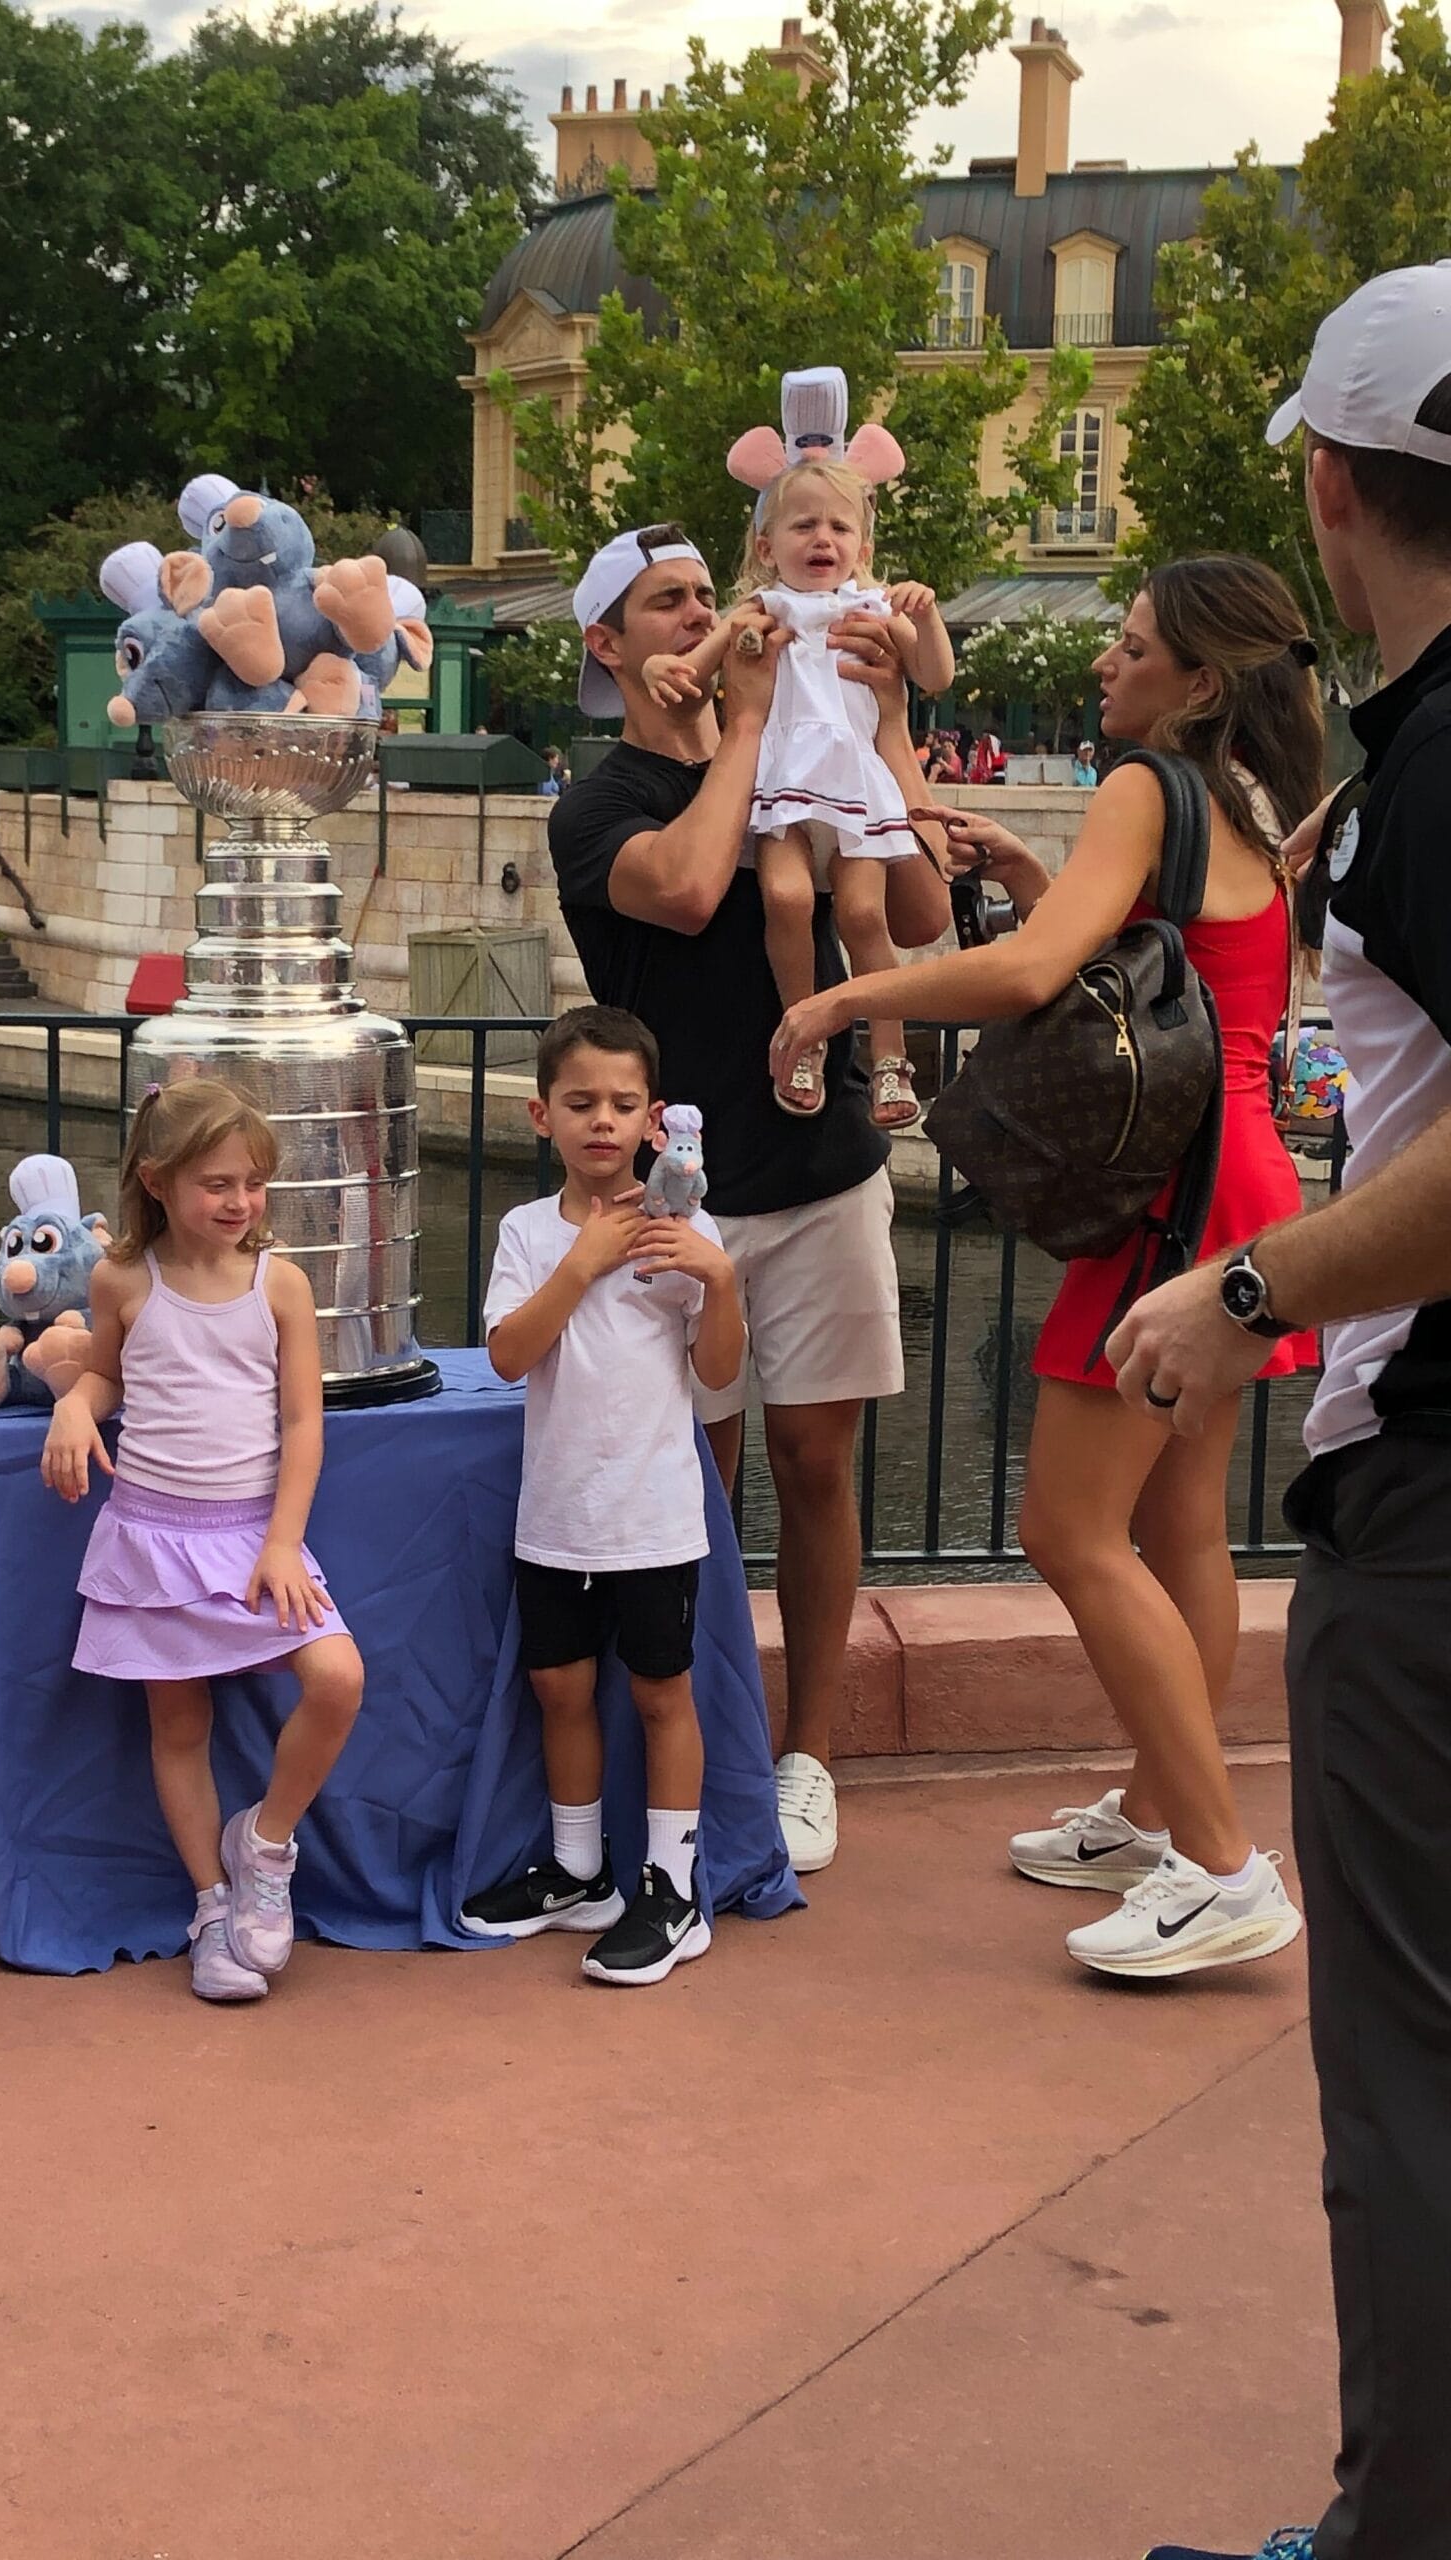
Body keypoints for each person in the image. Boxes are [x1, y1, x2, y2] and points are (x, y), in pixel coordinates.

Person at [1107, 266, 1451, 2560]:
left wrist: (1243, 1290)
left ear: (1329, 485)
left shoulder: (1435, 767)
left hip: (1433, 1502)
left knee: (1408, 2071)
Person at [774, 554, 1324, 1980]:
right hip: (1248, 1187)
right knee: (1184, 1526)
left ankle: (1218, 1862)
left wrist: (847, 993)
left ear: (1196, 682)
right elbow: (1193, 970)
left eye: (1131, 647)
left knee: (1068, 1531)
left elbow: (1026, 980)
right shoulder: (1244, 803)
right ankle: (1161, 1813)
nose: (1106, 664)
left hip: (1174, 1204)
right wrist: (1035, 875)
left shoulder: (1150, 788)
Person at [550, 522, 950, 1874]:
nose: (695, 619)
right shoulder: (602, 803)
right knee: (695, 1482)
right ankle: (710, 1736)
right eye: (665, 607)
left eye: (703, 598)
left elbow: (925, 915)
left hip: (822, 1171)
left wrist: (884, 719)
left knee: (817, 1467)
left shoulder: (796, 756)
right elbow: (674, 889)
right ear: (609, 646)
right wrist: (748, 727)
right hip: (683, 1201)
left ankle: (810, 1753)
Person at [42, 1078, 365, 2006]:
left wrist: (281, 1544)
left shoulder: (283, 1285)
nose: (240, 1203)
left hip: (256, 1537)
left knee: (338, 1678)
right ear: (156, 1181)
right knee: (178, 1727)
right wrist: (73, 1403)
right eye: (217, 1184)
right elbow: (106, 1375)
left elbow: (304, 1425)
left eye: (253, 1183)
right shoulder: (120, 1281)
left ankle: (263, 1843)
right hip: (151, 1535)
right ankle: (213, 1912)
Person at [460, 1006, 744, 1984]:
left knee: (662, 1692)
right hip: (558, 1514)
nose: (602, 1122)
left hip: (655, 1511)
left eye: (624, 1104)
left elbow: (718, 1372)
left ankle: (673, 1886)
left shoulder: (684, 1227)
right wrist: (579, 1267)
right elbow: (506, 1355)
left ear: (656, 1119)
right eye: (580, 1103)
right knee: (560, 1688)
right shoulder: (528, 1232)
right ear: (543, 1116)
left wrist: (724, 1281)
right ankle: (582, 1869)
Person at [642, 398, 953, 1131]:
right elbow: (694, 668)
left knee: (863, 913)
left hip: (852, 782)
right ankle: (804, 1031)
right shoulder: (764, 610)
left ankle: (887, 1055)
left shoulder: (876, 606)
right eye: (804, 525)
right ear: (765, 545)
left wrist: (927, 616)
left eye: (840, 527)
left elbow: (935, 674)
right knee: (784, 899)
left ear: (863, 546)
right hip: (785, 785)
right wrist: (663, 663)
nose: (823, 538)